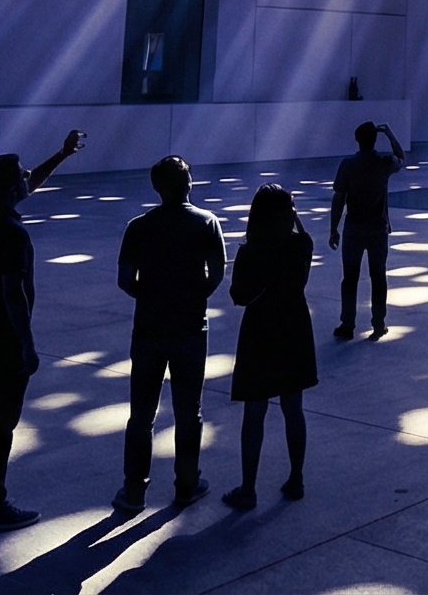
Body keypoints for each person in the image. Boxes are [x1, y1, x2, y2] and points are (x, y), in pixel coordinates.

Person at [0, 126, 85, 532]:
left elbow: (23, 186)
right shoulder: (14, 233)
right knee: (0, 423)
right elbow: (13, 295)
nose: (28, 179)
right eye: (22, 176)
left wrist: (61, 154)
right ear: (9, 190)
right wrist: (27, 345)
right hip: (3, 340)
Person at [113, 156, 226, 513]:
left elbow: (124, 280)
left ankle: (134, 490)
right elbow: (218, 272)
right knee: (188, 411)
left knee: (141, 414)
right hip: (190, 328)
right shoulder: (206, 222)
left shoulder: (138, 226)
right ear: (188, 183)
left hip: (148, 328)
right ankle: (186, 484)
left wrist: (149, 297)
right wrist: (194, 296)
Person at [221, 184, 316, 509]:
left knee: (255, 410)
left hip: (260, 330)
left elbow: (238, 296)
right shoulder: (302, 244)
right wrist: (295, 217)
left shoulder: (251, 251)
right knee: (293, 408)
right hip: (294, 328)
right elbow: (302, 236)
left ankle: (248, 488)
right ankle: (297, 477)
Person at [328, 119, 405, 341]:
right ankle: (379, 324)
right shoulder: (384, 161)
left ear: (357, 140)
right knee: (378, 276)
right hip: (377, 228)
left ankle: (347, 324)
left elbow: (339, 198)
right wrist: (389, 135)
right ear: (375, 140)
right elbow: (402, 157)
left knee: (350, 278)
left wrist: (334, 229)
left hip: (353, 228)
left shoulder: (347, 164)